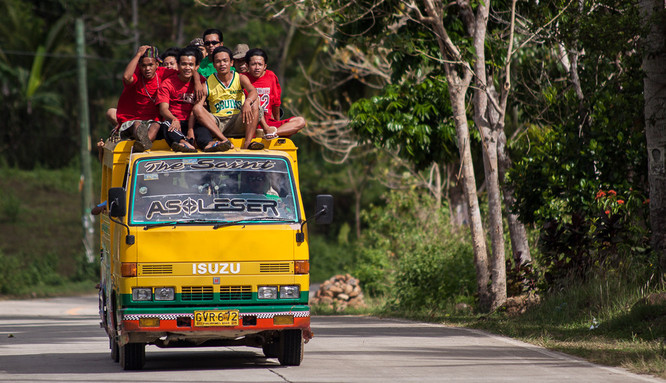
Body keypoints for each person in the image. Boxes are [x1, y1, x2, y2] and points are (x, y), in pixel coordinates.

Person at [192, 46, 263, 151]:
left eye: (225, 61)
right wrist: (190, 130)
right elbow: (197, 108)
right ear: (214, 65)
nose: (222, 64)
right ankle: (224, 140)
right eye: (218, 61)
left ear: (231, 63)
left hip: (239, 121)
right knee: (197, 108)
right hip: (218, 124)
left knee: (255, 102)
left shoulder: (240, 78)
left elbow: (253, 91)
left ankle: (248, 142)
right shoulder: (207, 83)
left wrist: (247, 102)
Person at [115, 45, 174, 151]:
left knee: (156, 125)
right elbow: (126, 77)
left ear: (157, 64)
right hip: (135, 119)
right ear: (139, 66)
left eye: (150, 65)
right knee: (137, 124)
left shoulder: (164, 73)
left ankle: (143, 143)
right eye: (143, 65)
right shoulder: (137, 76)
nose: (147, 69)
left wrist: (197, 81)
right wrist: (138, 54)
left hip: (153, 120)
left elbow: (185, 74)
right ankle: (140, 138)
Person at [244, 48, 305, 138]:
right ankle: (265, 133)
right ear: (247, 66)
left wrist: (278, 125)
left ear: (265, 66)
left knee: (300, 121)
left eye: (260, 64)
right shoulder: (242, 78)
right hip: (249, 123)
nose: (257, 68)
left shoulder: (271, 76)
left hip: (268, 123)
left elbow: (276, 105)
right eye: (253, 64)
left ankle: (272, 133)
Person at [156, 47, 206, 152]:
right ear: (178, 65)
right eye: (184, 64)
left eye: (191, 65)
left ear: (196, 66)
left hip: (193, 121)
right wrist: (174, 119)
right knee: (166, 125)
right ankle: (183, 144)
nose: (187, 67)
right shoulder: (167, 83)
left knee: (203, 126)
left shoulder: (201, 82)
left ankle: (208, 144)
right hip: (175, 121)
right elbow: (163, 109)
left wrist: (190, 129)